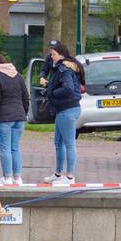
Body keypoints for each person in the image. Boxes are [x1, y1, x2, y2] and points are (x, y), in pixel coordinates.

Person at [42, 41, 85, 185]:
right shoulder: (61, 68)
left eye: (53, 54)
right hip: (63, 110)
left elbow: (68, 89)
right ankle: (58, 174)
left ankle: (70, 177)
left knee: (69, 144)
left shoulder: (64, 69)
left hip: (67, 110)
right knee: (58, 143)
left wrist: (52, 92)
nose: (51, 57)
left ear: (61, 55)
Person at [0, 53, 29, 185]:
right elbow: (26, 97)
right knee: (15, 148)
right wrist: (23, 113)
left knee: (5, 149)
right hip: (19, 117)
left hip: (4, 118)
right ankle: (17, 178)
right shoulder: (18, 76)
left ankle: (7, 177)